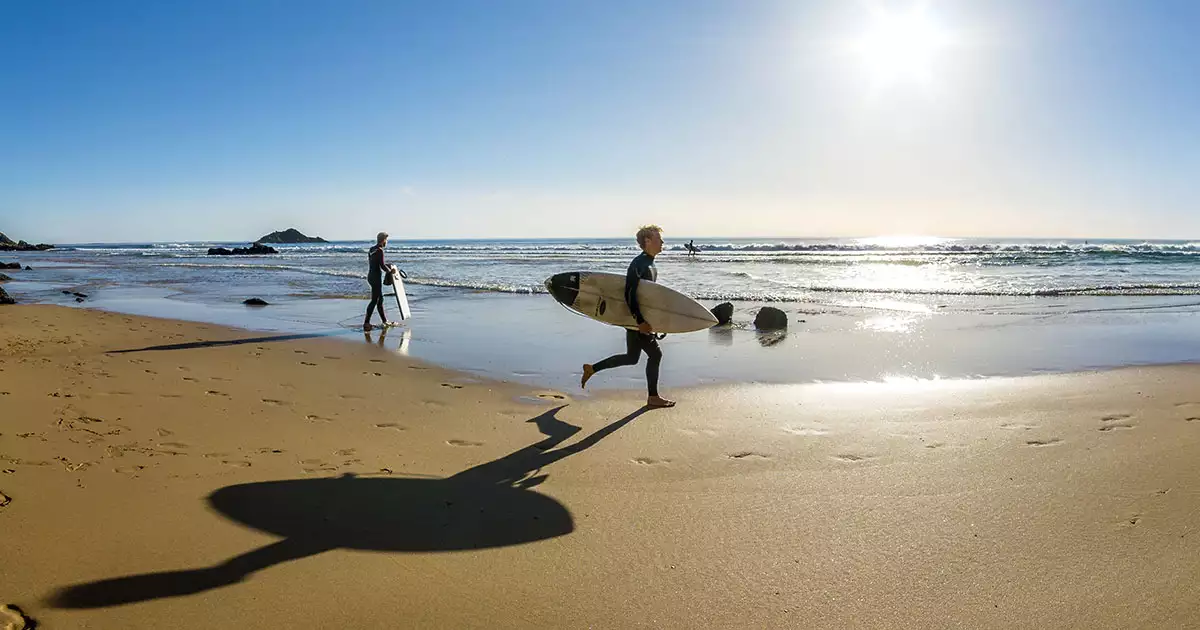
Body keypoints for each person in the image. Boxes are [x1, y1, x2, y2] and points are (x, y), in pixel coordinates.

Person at [580, 225, 676, 408]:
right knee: (655, 355)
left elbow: (646, 297)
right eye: (658, 238)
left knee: (632, 357)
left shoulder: (649, 263)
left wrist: (654, 321)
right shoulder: (639, 264)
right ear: (648, 241)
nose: (662, 242)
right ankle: (653, 397)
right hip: (635, 320)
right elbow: (629, 294)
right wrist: (640, 321)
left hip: (636, 320)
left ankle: (591, 369)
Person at [364, 232, 394, 331]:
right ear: (383, 240)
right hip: (376, 278)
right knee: (374, 301)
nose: (386, 242)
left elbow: (375, 263)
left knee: (380, 300)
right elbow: (382, 265)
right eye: (386, 240)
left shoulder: (372, 249)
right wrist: (390, 271)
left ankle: (384, 321)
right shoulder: (380, 251)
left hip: (371, 276)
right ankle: (366, 323)